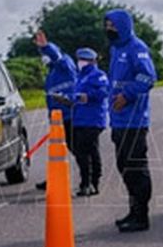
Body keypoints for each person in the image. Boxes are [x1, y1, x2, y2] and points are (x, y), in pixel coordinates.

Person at [104, 9, 157, 231]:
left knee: (135, 168)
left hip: (134, 120)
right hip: (118, 120)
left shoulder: (137, 48)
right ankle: (133, 211)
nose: (108, 29)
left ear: (123, 26)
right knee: (124, 166)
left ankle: (141, 216)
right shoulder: (116, 49)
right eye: (106, 25)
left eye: (112, 25)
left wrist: (127, 96)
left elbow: (148, 78)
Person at [33, 30, 78, 191]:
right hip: (56, 116)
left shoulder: (65, 64)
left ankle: (89, 178)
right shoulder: (52, 72)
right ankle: (55, 177)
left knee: (77, 148)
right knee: (57, 151)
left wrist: (46, 47)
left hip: (69, 114)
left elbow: (58, 58)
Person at [70, 47, 108, 196]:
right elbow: (76, 95)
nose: (80, 62)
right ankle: (85, 182)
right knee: (81, 152)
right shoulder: (79, 77)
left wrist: (89, 96)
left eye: (84, 60)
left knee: (89, 151)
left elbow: (104, 91)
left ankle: (92, 183)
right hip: (79, 119)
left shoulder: (98, 75)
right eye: (80, 59)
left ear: (92, 61)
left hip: (93, 119)